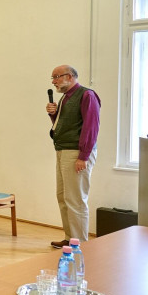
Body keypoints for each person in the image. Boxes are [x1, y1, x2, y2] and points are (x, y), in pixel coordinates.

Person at [47, 64, 101, 248]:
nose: (54, 81)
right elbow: (65, 126)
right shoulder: (64, 98)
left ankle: (80, 243)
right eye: (52, 78)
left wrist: (83, 156)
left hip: (76, 153)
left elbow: (91, 127)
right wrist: (53, 116)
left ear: (69, 76)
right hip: (63, 151)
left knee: (76, 200)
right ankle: (70, 237)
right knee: (63, 197)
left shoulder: (87, 95)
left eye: (56, 77)